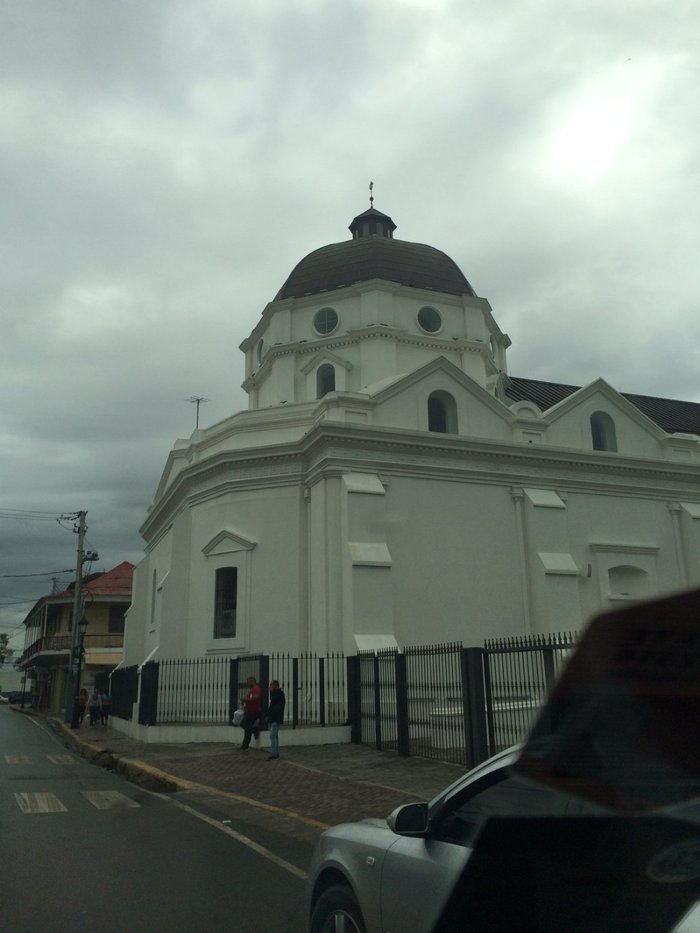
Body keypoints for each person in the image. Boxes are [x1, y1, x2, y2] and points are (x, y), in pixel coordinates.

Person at [239, 676, 262, 749]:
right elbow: (250, 698)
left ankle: (245, 745)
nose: (247, 683)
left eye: (248, 682)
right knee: (244, 724)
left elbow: (256, 698)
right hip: (249, 711)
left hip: (253, 712)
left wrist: (245, 699)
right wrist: (244, 700)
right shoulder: (252, 689)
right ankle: (253, 730)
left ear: (252, 681)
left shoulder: (256, 689)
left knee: (246, 726)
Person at [266, 680, 286, 760]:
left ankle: (274, 754)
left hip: (276, 718)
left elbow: (276, 706)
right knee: (275, 736)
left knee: (272, 736)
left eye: (271, 685)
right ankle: (276, 753)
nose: (270, 687)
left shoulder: (279, 694)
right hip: (272, 718)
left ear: (275, 686)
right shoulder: (274, 694)